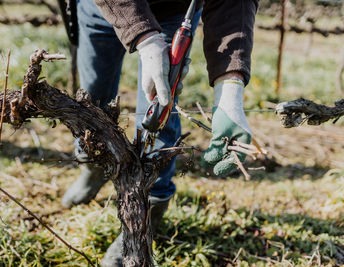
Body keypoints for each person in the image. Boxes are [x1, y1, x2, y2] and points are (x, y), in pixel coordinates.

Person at [62, 0, 258, 265]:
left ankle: (147, 216)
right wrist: (145, 39)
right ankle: (92, 167)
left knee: (160, 109)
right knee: (92, 99)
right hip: (99, 6)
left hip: (175, 11)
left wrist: (230, 92)